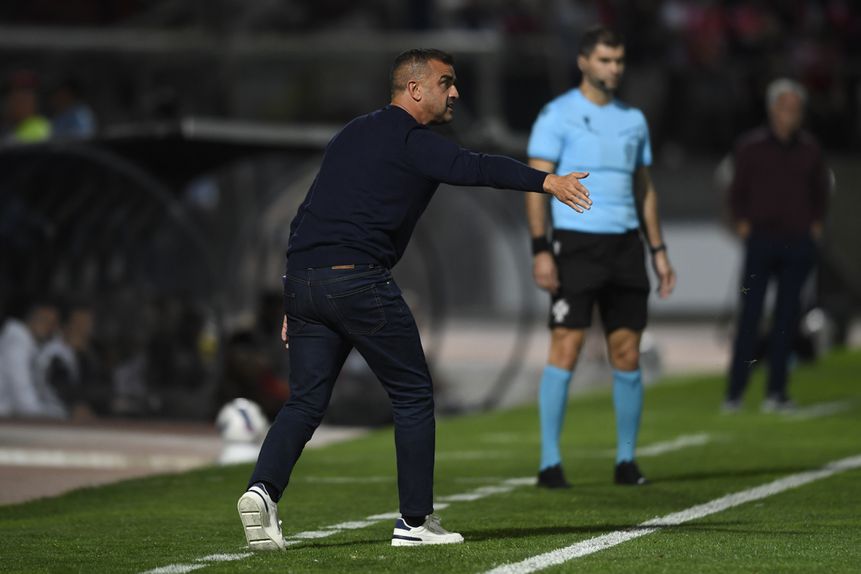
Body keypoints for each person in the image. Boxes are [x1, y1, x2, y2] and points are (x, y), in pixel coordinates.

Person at [237, 48, 592, 550]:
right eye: (447, 82)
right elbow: (476, 167)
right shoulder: (413, 140)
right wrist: (547, 181)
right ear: (415, 89)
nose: (456, 93)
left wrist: (294, 296)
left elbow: (305, 214)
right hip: (358, 281)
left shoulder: (351, 133)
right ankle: (414, 522)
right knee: (412, 394)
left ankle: (262, 490)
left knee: (306, 401)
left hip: (305, 282)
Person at [525, 26, 676, 489]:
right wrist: (541, 249)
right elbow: (536, 186)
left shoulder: (633, 120)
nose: (614, 68)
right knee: (566, 347)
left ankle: (626, 460)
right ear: (584, 62)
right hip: (576, 245)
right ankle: (549, 462)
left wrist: (658, 250)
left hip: (626, 246)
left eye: (619, 60)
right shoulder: (556, 115)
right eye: (606, 60)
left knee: (627, 353)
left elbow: (643, 188)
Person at [724, 78, 829, 413]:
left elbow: (821, 192)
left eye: (795, 108)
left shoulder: (810, 149)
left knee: (787, 320)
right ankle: (735, 393)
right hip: (761, 241)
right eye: (784, 107)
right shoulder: (750, 147)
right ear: (772, 110)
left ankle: (777, 392)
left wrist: (815, 225)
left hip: (797, 244)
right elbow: (736, 190)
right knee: (750, 316)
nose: (790, 114)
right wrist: (742, 222)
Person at [0, 296, 61, 417]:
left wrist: (59, 413)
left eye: (53, 323)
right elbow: (21, 393)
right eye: (46, 321)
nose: (50, 328)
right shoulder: (16, 343)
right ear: (32, 318)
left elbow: (41, 392)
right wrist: (44, 417)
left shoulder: (33, 346)